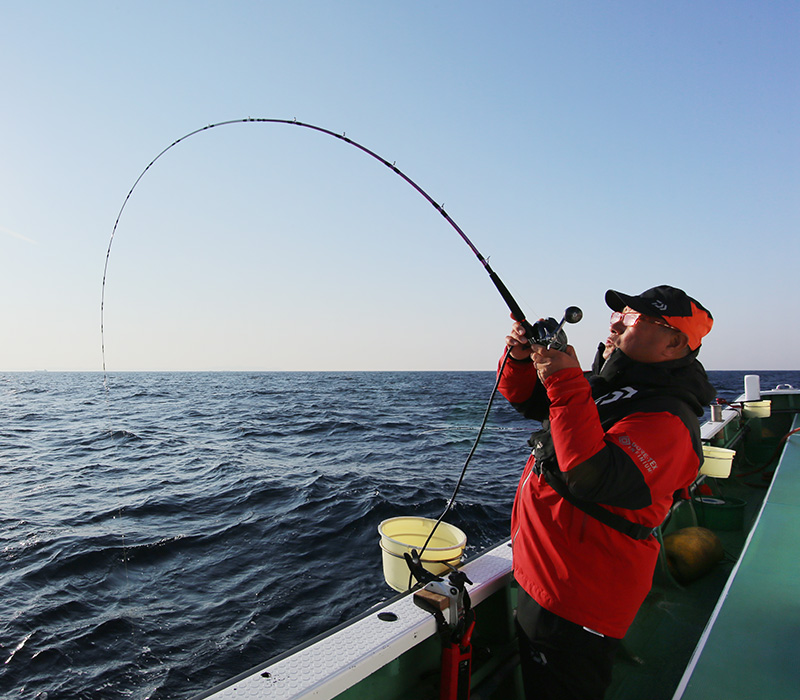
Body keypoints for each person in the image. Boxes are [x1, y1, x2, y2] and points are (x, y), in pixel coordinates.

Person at [498, 285, 716, 700]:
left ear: (673, 342)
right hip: (546, 577)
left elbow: (591, 477)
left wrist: (563, 377)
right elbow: (529, 400)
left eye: (634, 318)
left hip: (578, 597)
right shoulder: (610, 384)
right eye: (619, 313)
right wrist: (523, 357)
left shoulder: (668, 419)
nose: (615, 321)